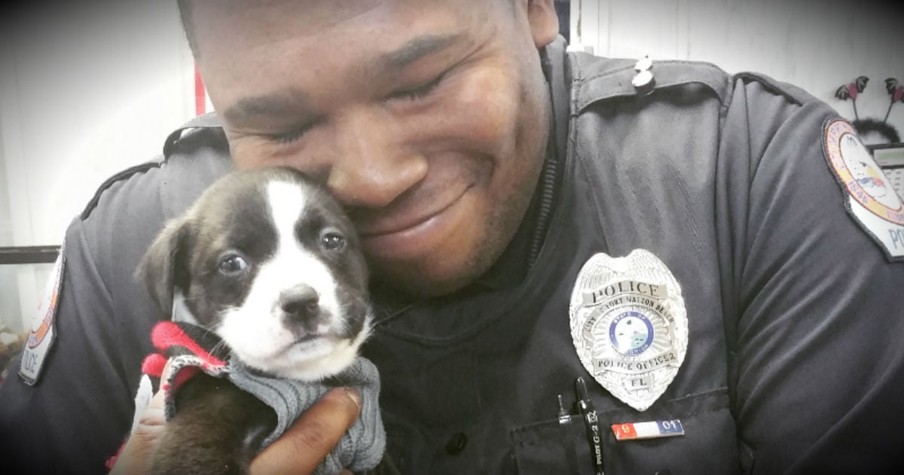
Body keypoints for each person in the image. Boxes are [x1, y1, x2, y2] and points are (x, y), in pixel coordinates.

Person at [2, 1, 903, 473]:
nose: (368, 175)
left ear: (536, 4)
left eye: (421, 81)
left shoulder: (747, 175)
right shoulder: (147, 242)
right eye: (276, 123)